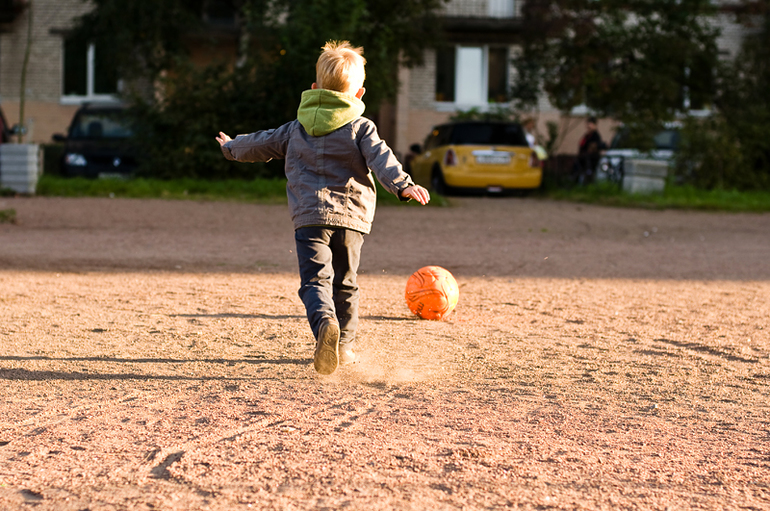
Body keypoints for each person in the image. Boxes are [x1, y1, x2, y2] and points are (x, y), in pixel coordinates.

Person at [216, 41, 430, 375]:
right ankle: (343, 348)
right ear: (359, 94)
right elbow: (381, 157)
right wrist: (403, 185)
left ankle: (324, 324)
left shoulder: (296, 127)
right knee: (345, 283)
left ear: (315, 89)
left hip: (309, 218)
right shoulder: (362, 127)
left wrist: (231, 147)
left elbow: (261, 143)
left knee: (315, 281)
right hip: (351, 219)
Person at [574, 116, 605, 184]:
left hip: (590, 159)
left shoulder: (595, 136)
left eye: (590, 124)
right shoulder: (587, 135)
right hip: (583, 158)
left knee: (588, 172)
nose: (588, 126)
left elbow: (595, 146)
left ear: (594, 125)